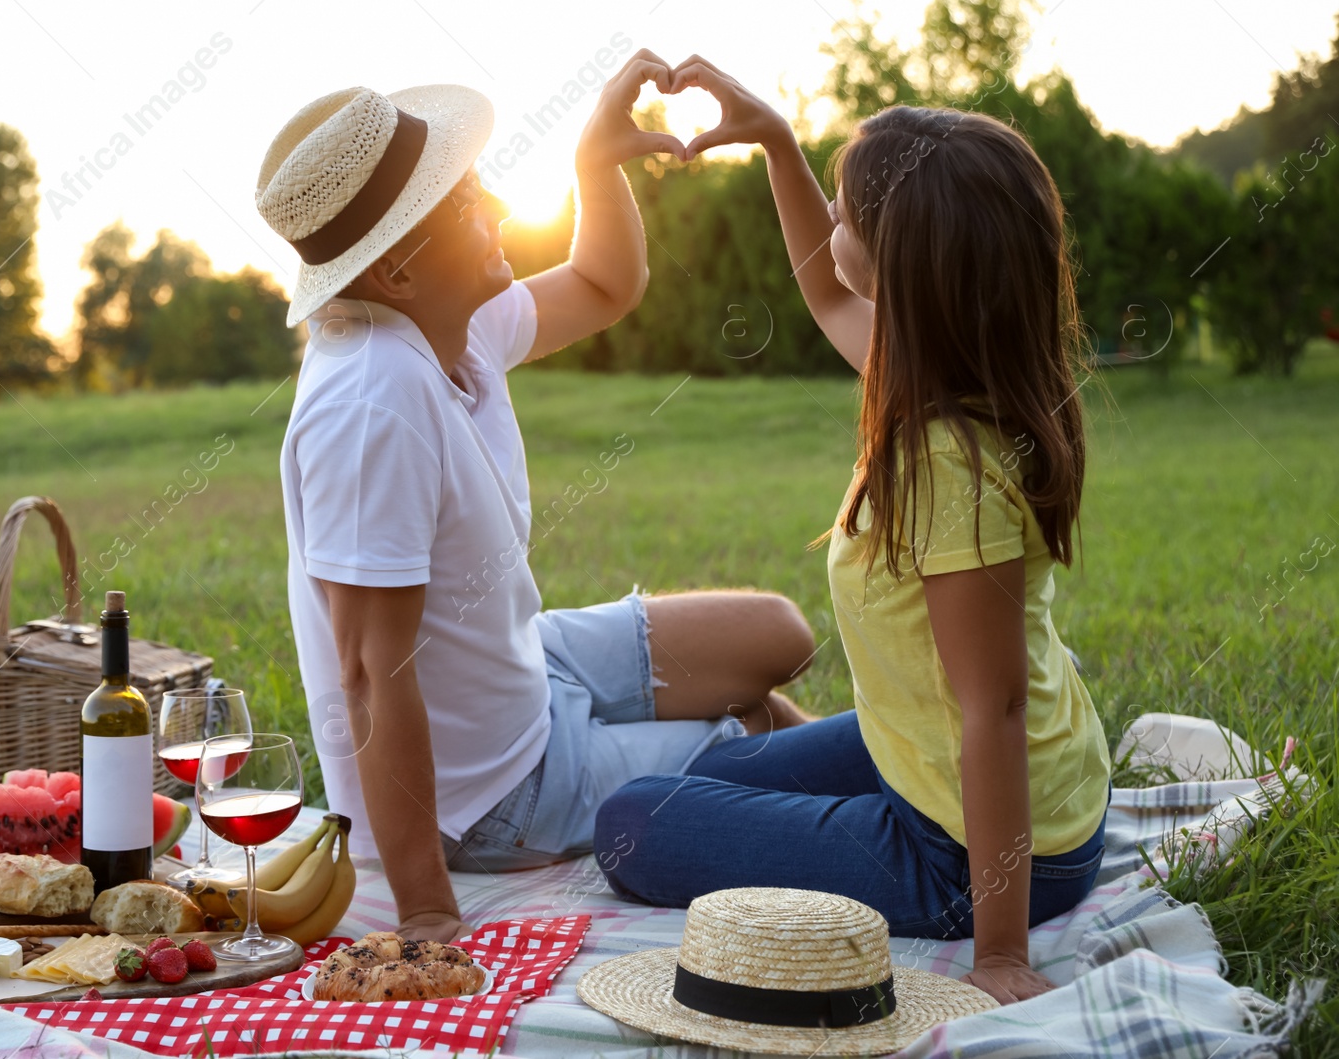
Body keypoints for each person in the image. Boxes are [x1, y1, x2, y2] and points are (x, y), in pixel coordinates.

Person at [253, 52, 817, 945]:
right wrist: (430, 909)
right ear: (398, 270)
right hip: (491, 789)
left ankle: (864, 773)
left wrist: (595, 165)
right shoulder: (370, 403)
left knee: (781, 636)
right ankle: (910, 801)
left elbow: (603, 284)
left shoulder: (452, 324)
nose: (501, 208)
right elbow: (367, 675)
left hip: (528, 667)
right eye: (470, 202)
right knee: (756, 743)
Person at [595, 56, 1113, 1007]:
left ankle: (905, 857)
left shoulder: (949, 464)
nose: (830, 225)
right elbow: (829, 293)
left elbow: (991, 712)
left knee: (632, 822)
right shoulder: (940, 367)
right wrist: (777, 144)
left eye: (843, 212)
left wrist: (997, 950)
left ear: (900, 259)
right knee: (710, 773)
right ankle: (856, 814)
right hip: (923, 761)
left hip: (974, 850)